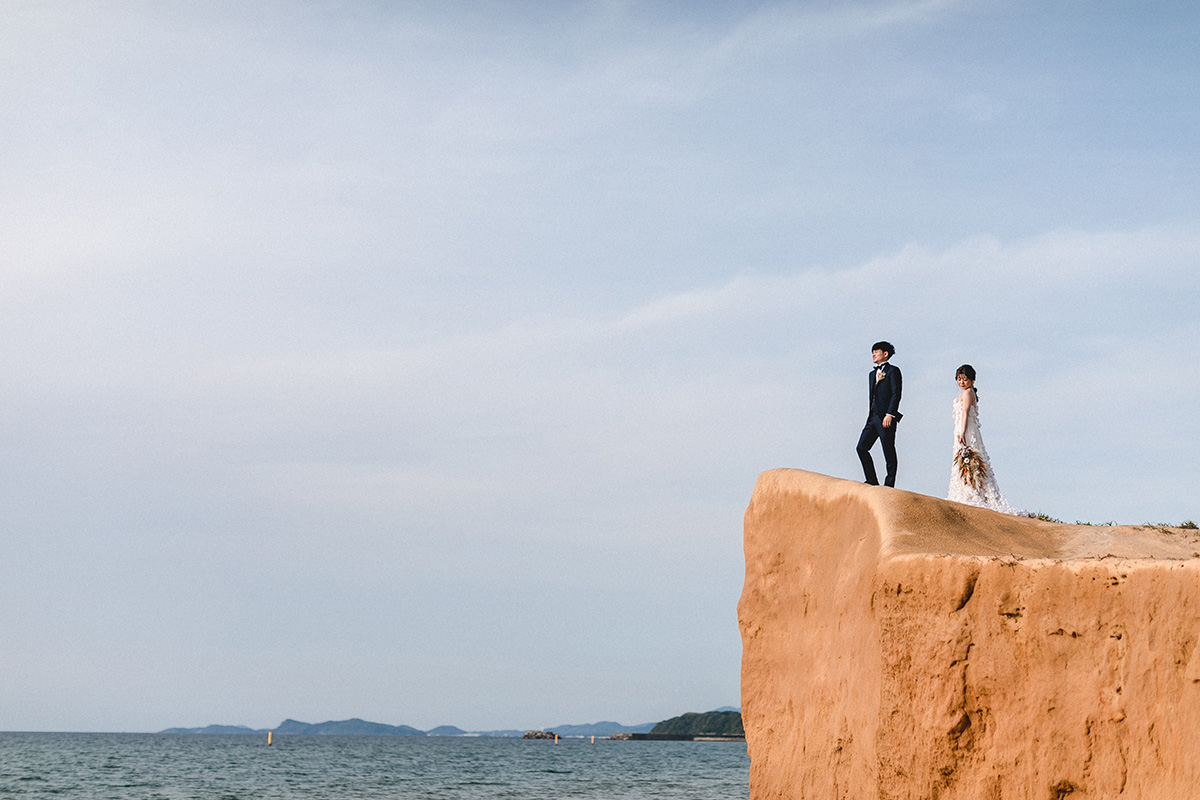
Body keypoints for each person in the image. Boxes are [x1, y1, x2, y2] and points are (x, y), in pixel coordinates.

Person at [947, 364, 1021, 514]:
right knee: (965, 462)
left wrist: (962, 432)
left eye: (965, 379)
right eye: (959, 379)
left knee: (969, 460)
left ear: (972, 380)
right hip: (963, 429)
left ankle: (972, 493)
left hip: (967, 429)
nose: (962, 382)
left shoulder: (968, 393)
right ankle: (967, 492)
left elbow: (965, 414)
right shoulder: (967, 392)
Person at [856, 341, 902, 487]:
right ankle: (872, 480)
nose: (873, 354)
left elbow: (896, 394)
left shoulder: (893, 371)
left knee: (888, 449)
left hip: (886, 417)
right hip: (872, 417)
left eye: (876, 351)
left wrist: (890, 414)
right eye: (872, 352)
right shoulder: (871, 374)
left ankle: (889, 484)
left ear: (885, 354)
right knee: (861, 447)